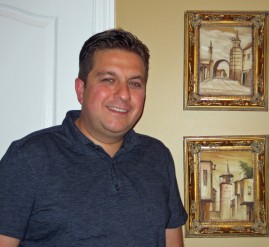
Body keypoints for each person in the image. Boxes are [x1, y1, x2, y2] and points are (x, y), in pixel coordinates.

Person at [0, 29, 187, 247]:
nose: (124, 94)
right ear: (81, 89)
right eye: (109, 79)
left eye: (135, 83)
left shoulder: (158, 156)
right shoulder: (28, 157)